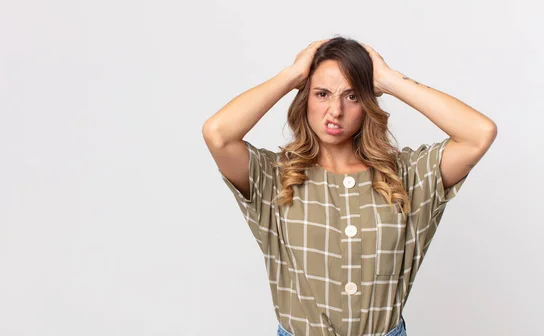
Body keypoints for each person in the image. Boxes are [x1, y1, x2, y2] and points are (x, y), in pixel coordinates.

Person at [201, 36, 497, 336]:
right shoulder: (277, 177)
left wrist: (389, 80)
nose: (335, 110)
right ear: (305, 99)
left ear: (367, 103)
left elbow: (479, 133)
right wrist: (291, 75)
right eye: (322, 94)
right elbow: (218, 134)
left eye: (352, 95)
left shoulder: (406, 176)